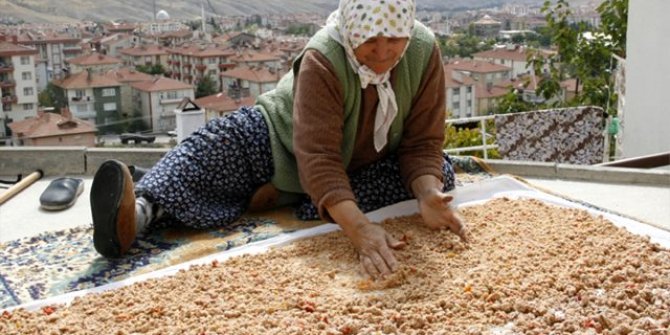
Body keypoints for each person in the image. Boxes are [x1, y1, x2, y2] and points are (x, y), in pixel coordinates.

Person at [90, 0, 466, 279]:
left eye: (395, 39)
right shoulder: (324, 57)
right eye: (371, 40)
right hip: (279, 138)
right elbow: (318, 156)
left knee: (441, 175)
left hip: (360, 164)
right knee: (216, 146)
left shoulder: (422, 50)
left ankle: (296, 197)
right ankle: (140, 211)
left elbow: (422, 141)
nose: (383, 53)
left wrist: (428, 194)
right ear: (352, 28)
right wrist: (360, 229)